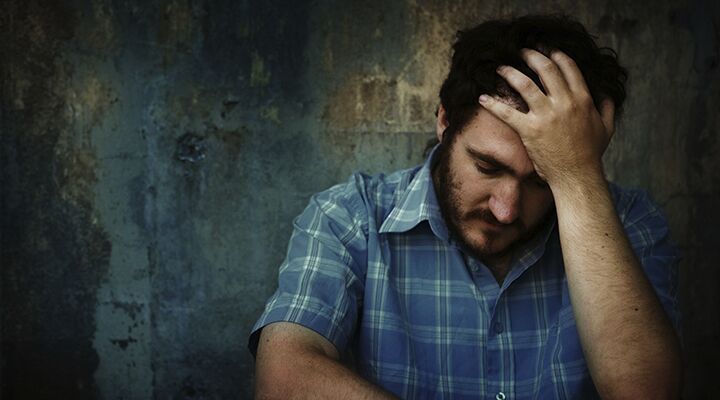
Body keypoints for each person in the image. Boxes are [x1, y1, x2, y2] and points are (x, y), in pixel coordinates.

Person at [249, 14, 682, 399]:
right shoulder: (350, 217)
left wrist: (576, 178)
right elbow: (284, 380)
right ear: (445, 121)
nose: (506, 210)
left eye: (542, 181)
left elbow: (646, 392)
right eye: (487, 166)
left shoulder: (630, 224)